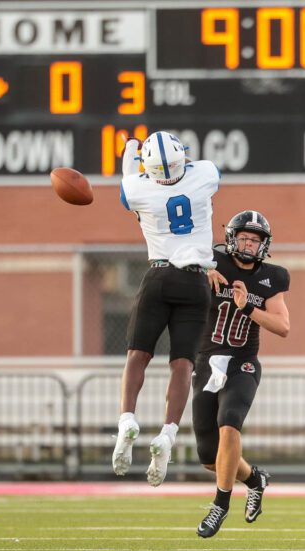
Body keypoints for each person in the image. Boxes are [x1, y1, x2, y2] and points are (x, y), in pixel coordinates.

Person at [113, 131, 220, 487]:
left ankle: (127, 419)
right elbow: (194, 169)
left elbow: (129, 179)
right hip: (195, 281)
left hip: (159, 275)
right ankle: (168, 434)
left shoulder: (137, 189)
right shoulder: (205, 174)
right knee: (183, 364)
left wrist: (131, 148)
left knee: (137, 355)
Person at [192, 211, 290, 538]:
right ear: (232, 238)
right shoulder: (211, 260)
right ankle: (254, 479)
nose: (249, 244)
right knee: (210, 458)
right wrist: (201, 270)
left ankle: (220, 505)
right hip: (206, 362)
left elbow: (283, 326)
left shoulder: (271, 277)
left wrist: (247, 306)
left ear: (264, 244)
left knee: (229, 422)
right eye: (245, 238)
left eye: (255, 240)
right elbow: (178, 264)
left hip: (243, 363)